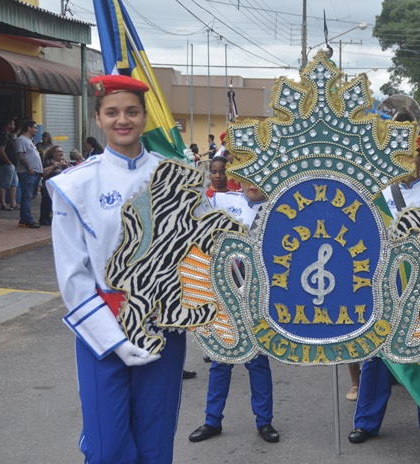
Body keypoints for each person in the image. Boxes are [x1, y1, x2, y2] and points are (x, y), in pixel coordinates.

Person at [47, 75, 186, 464]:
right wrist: (116, 341)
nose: (122, 120)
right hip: (101, 329)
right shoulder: (74, 185)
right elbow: (73, 276)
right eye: (112, 112)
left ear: (144, 117)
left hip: (162, 322)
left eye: (131, 111)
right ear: (98, 118)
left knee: (156, 445)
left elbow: (200, 253)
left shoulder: (175, 177)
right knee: (107, 449)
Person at [348, 136, 420, 448]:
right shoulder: (377, 194)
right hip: (385, 286)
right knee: (376, 356)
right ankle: (366, 422)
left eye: (413, 154)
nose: (407, 160)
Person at [189, 166, 279, 444]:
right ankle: (212, 420)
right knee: (220, 361)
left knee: (257, 362)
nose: (255, 184)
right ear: (240, 179)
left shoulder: (281, 211)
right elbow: (195, 205)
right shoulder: (223, 200)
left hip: (255, 298)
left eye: (261, 179)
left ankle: (264, 422)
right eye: (251, 177)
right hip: (224, 295)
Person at [15, 119, 43, 229]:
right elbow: (20, 156)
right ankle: (28, 219)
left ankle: (24, 218)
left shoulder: (29, 140)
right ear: (29, 128)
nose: (37, 130)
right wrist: (29, 168)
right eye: (35, 127)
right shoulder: (21, 140)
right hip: (28, 173)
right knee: (26, 196)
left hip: (34, 172)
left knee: (29, 196)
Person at [39, 145, 70, 226]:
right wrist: (53, 166)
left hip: (60, 188)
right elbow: (43, 173)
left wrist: (66, 166)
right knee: (47, 204)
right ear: (53, 154)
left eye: (62, 151)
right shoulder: (48, 162)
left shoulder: (65, 162)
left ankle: (57, 220)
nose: (61, 153)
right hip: (48, 187)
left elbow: (72, 173)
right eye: (59, 151)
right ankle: (44, 219)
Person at [0, 117, 19, 211]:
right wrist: (9, 163)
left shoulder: (7, 135)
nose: (14, 126)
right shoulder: (2, 136)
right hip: (5, 164)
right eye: (13, 124)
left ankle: (13, 203)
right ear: (8, 125)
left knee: (14, 183)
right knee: (4, 183)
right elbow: (1, 150)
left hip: (11, 164)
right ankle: (3, 204)